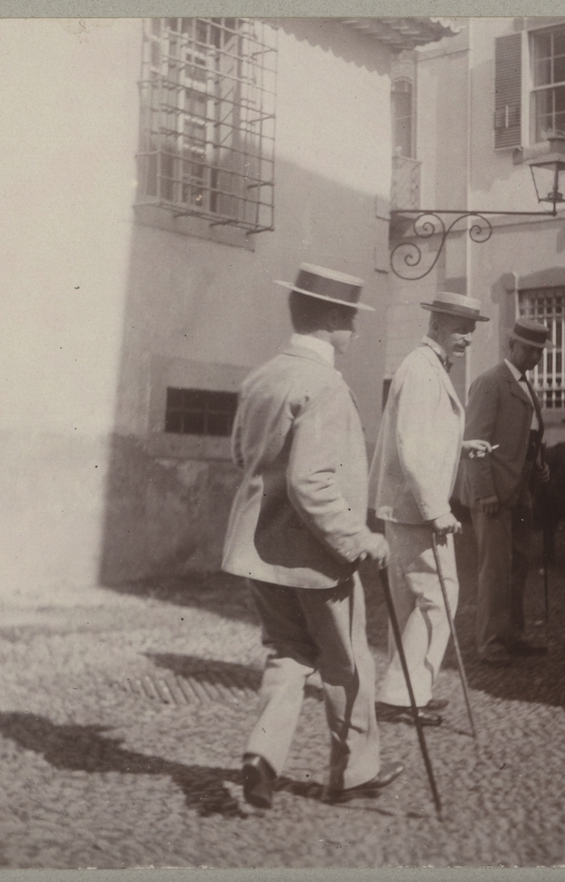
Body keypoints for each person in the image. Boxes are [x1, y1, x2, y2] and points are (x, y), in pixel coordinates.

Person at [222, 264, 402, 810]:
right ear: (328, 319)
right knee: (346, 665)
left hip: (258, 553)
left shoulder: (261, 377)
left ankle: (262, 756)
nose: (354, 330)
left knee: (286, 653)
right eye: (349, 318)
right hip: (317, 559)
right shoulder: (324, 385)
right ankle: (352, 775)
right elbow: (310, 481)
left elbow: (240, 457)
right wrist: (358, 539)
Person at [369, 291, 493, 725]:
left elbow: (422, 437)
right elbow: (409, 446)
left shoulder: (425, 368)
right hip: (417, 510)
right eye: (462, 329)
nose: (468, 338)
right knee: (439, 599)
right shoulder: (421, 370)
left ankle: (403, 691)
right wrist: (435, 508)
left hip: (405, 508)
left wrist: (459, 447)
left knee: (412, 602)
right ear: (438, 324)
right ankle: (404, 694)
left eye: (472, 331)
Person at [462, 317, 553, 666]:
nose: (534, 357)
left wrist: (540, 463)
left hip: (521, 491)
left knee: (519, 565)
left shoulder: (529, 388)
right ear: (511, 346)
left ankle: (513, 634)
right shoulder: (490, 383)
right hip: (495, 493)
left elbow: (529, 437)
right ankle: (490, 642)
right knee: (495, 568)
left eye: (540, 352)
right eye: (529, 349)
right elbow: (476, 442)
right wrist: (484, 493)